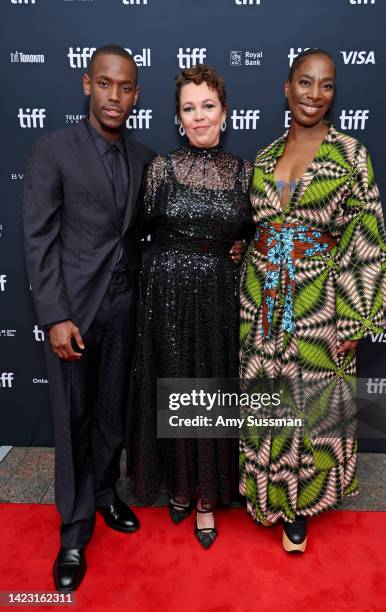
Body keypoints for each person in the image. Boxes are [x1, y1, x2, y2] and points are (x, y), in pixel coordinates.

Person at [239, 48, 386, 552]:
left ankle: (301, 507)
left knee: (313, 404)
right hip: (262, 299)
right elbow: (258, 224)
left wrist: (355, 317)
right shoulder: (263, 157)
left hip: (318, 302)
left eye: (325, 85)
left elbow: (365, 235)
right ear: (287, 88)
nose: (314, 94)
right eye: (305, 83)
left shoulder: (350, 154)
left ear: (333, 94)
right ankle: (266, 494)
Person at [23, 45, 155, 591]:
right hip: (74, 314)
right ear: (86, 85)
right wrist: (54, 315)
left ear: (136, 96)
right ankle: (73, 532)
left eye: (125, 88)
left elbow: (151, 233)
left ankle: (104, 494)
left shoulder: (144, 158)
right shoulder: (52, 149)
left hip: (124, 309)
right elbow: (38, 239)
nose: (114, 97)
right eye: (105, 84)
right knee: (73, 421)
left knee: (110, 416)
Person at [126, 64, 252, 548]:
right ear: (179, 117)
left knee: (209, 387)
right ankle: (179, 486)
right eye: (189, 108)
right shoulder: (160, 169)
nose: (199, 117)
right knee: (173, 385)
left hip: (219, 297)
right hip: (167, 295)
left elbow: (256, 236)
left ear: (224, 112)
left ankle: (206, 499)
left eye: (208, 106)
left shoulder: (245, 174)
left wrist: (239, 251)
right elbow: (137, 232)